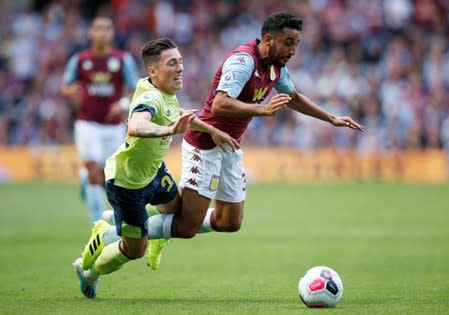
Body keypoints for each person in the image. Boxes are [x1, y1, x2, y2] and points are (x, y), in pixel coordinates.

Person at [81, 11, 365, 274]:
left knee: (231, 222)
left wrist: (331, 118)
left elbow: (293, 96)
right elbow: (219, 104)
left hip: (229, 144)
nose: (293, 50)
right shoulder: (243, 62)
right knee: (187, 226)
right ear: (268, 40)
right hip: (204, 143)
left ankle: (138, 225)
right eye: (288, 42)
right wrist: (262, 110)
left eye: (296, 44)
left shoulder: (277, 67)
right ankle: (113, 231)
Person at [73, 37, 239, 298]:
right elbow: (137, 125)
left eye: (180, 62)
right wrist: (169, 130)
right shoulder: (151, 97)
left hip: (153, 174)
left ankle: (129, 226)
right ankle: (89, 268)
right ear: (153, 70)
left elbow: (179, 114)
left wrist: (212, 130)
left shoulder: (161, 90)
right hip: (126, 185)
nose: (181, 68)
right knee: (134, 250)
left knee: (180, 214)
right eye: (172, 63)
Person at [60, 16, 139, 222]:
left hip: (114, 127)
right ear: (91, 33)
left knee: (109, 176)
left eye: (107, 29)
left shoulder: (122, 60)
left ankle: (86, 179)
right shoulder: (80, 60)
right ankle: (97, 223)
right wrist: (70, 92)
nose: (102, 33)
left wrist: (122, 104)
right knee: (95, 169)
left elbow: (136, 88)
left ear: (112, 34)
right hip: (87, 123)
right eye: (98, 29)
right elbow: (65, 85)